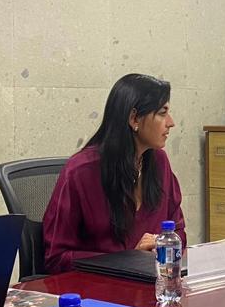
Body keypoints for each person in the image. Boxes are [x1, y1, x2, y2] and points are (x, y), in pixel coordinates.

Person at [42, 73, 185, 274]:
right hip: (97, 288)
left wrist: (162, 244)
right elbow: (56, 258)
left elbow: (178, 231)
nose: (171, 122)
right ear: (134, 118)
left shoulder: (159, 162)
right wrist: (127, 260)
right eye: (162, 113)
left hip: (151, 283)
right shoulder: (80, 172)